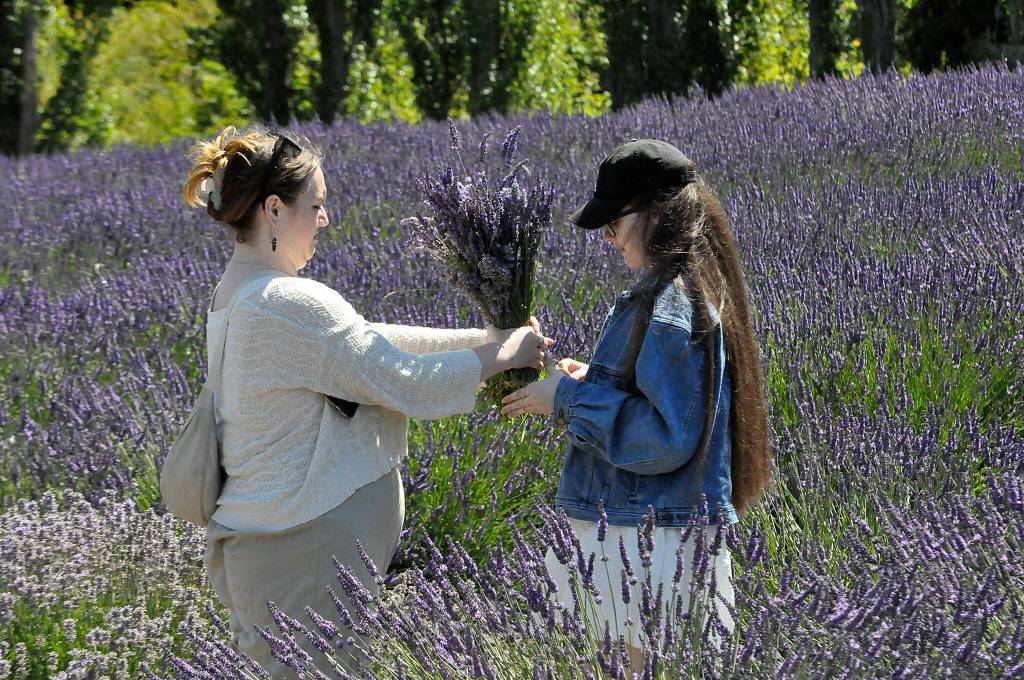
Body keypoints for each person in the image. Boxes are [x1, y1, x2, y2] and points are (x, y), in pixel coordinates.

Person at [182, 125, 553, 678]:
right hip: (300, 554)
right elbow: (401, 378)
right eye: (316, 205)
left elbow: (366, 345)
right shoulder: (285, 301)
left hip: (275, 549)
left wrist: (488, 343)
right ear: (275, 210)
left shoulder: (238, 292)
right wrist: (500, 355)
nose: (325, 220)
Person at [500, 139, 772, 669]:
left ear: (656, 212)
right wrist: (590, 380)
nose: (606, 236)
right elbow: (664, 399)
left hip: (646, 540)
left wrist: (567, 399)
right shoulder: (677, 293)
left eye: (613, 221)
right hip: (646, 530)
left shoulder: (674, 305)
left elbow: (667, 437)